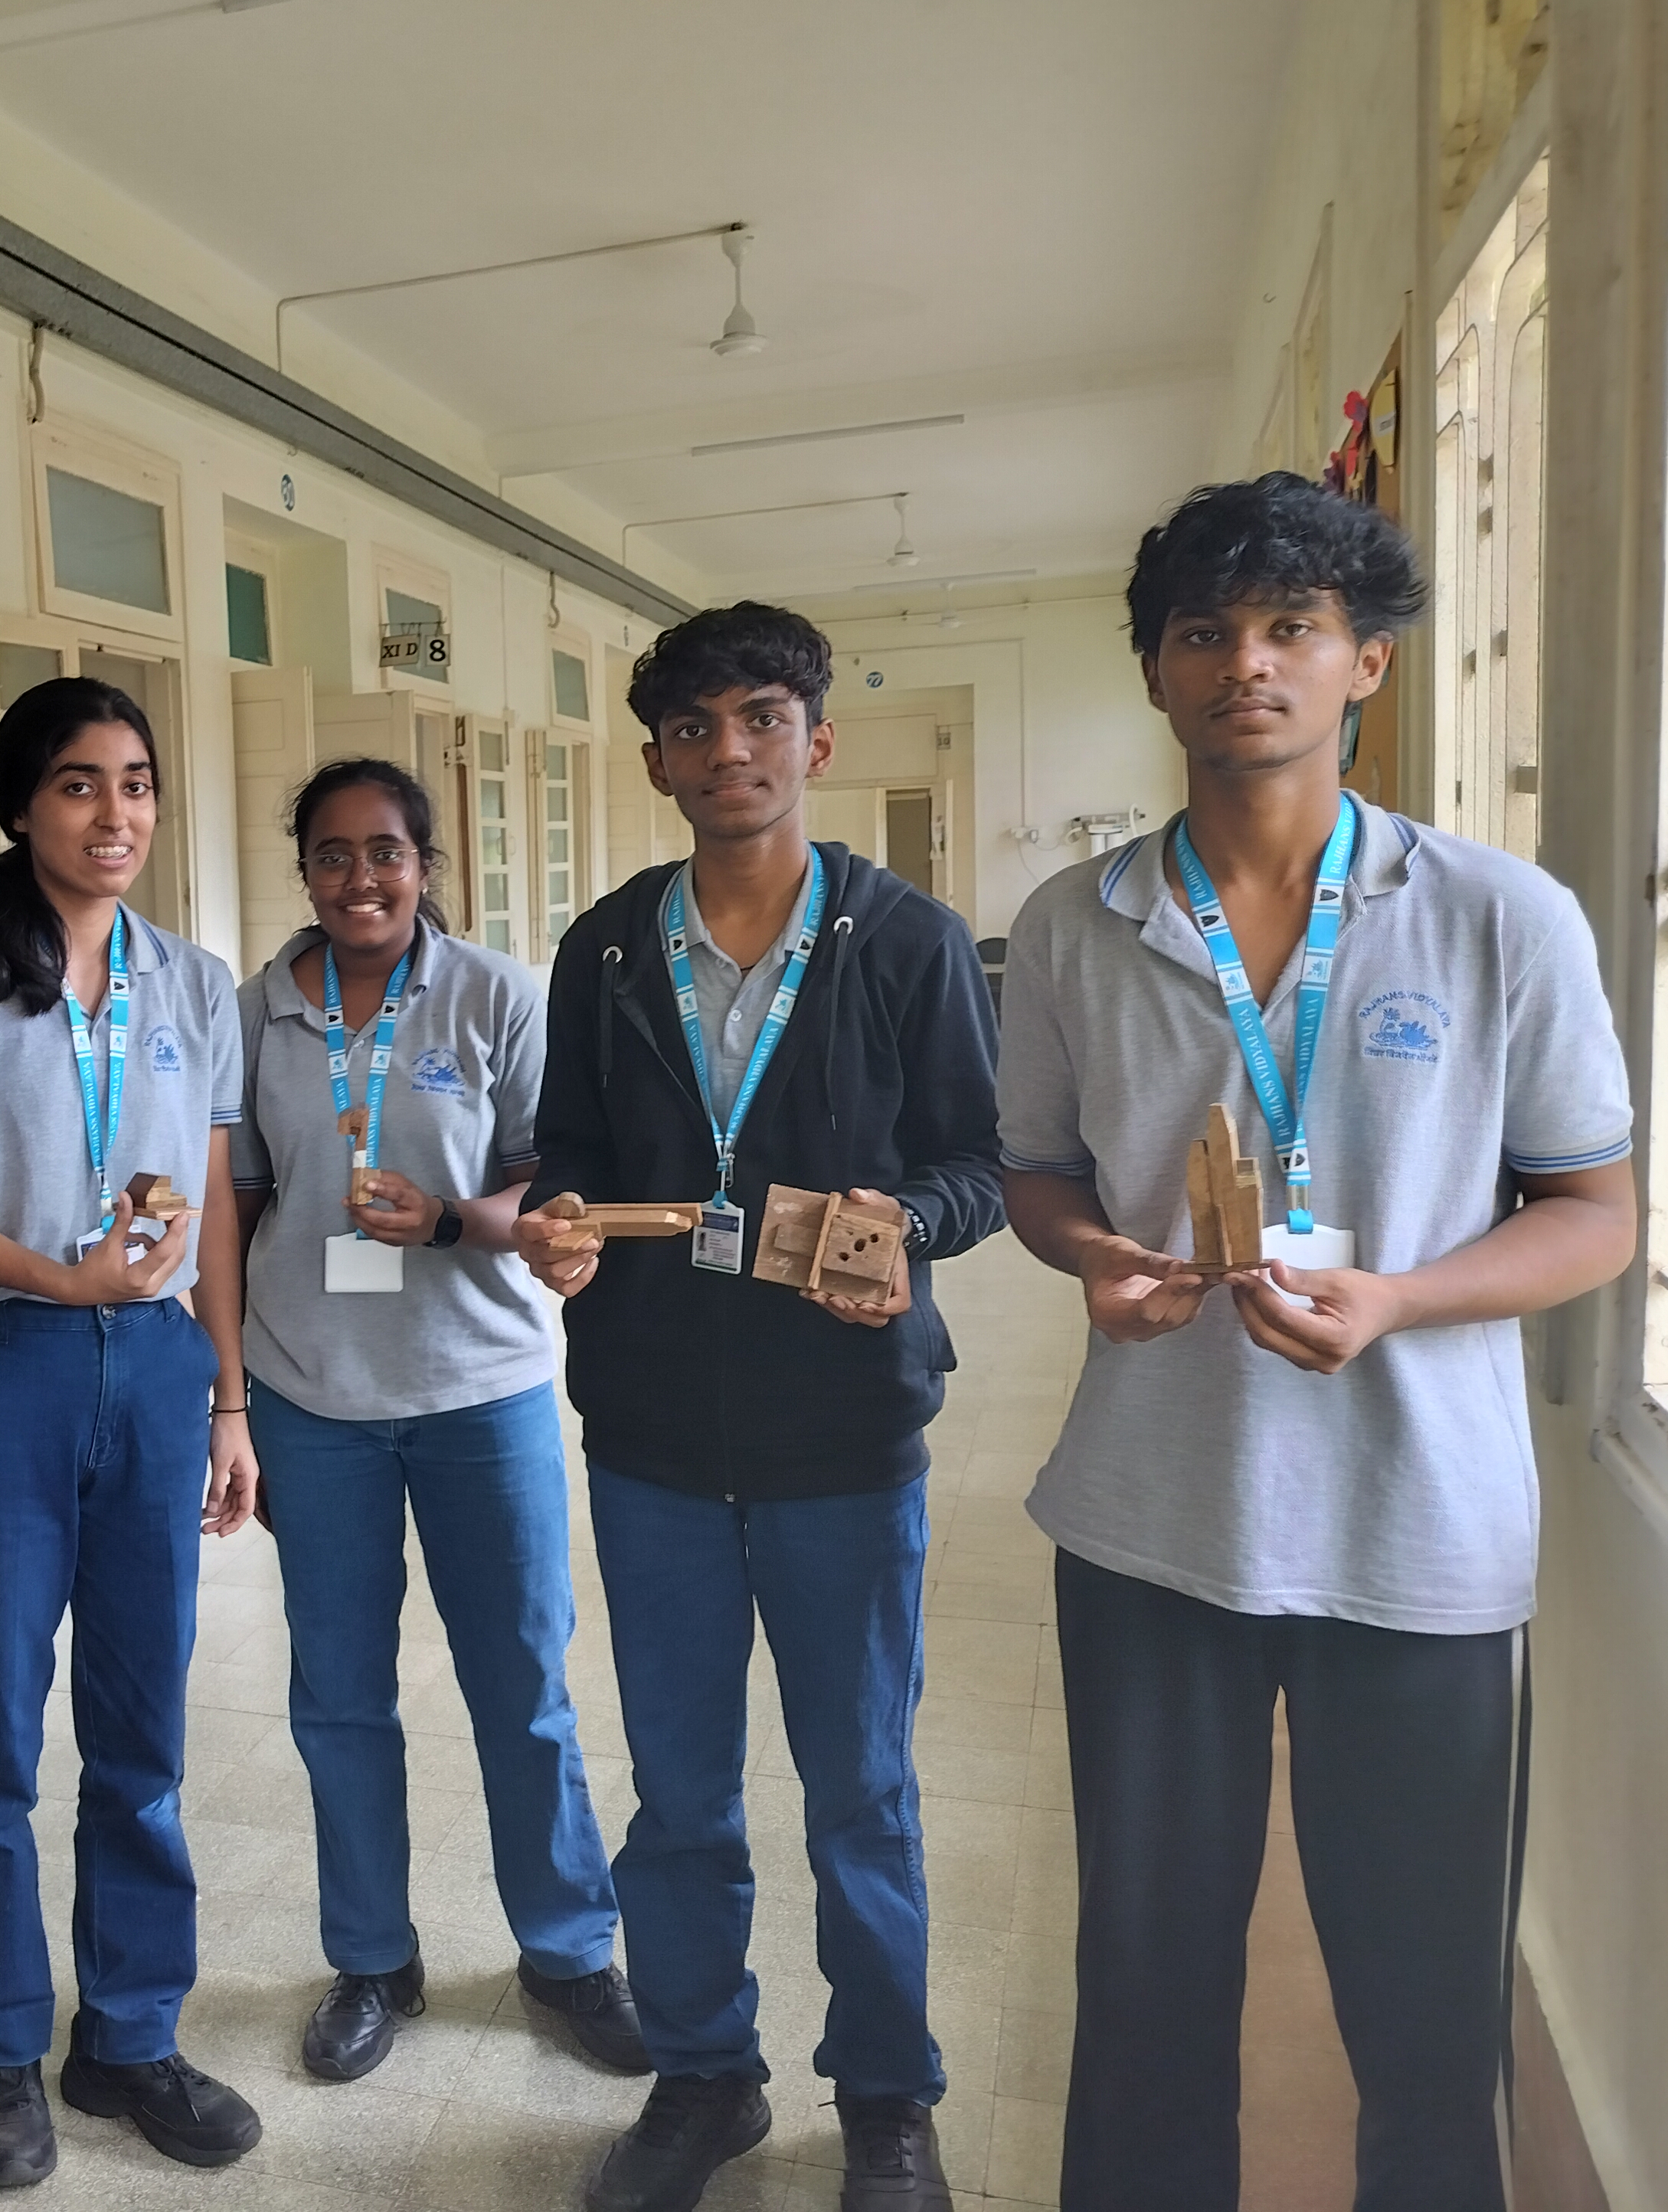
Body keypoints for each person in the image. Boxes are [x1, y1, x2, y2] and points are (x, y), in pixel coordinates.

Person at [996, 475, 1635, 2212]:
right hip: (1149, 1520)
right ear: (1152, 671)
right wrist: (1085, 1259)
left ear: (1365, 664)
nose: (1244, 665)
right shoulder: (1073, 926)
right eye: (1201, 631)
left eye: (1288, 627)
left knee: (1425, 2012)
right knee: (1141, 1989)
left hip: (1415, 1537)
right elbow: (1039, 1169)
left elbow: (1593, 1210)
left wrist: (1399, 1300)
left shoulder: (1499, 917)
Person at [518, 603, 1001, 2212]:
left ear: (814, 738)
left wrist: (907, 1225)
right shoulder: (599, 948)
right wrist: (555, 1226)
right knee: (677, 1794)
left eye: (757, 718)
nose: (726, 751)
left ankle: (884, 2103)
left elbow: (978, 1164)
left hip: (841, 1432)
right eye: (691, 728)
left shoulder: (904, 941)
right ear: (654, 757)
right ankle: (704, 2078)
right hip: (650, 1435)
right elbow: (565, 1155)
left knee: (859, 1791)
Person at [0, 676, 262, 2188]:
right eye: (79, 786)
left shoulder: (191, 980)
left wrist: (226, 1395)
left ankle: (130, 2035)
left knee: (141, 1730)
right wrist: (65, 1279)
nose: (116, 817)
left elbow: (214, 1201)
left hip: (156, 1378)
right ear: (20, 807)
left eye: (135, 784)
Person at [227, 758, 640, 2086]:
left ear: (427, 863)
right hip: (313, 1395)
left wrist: (455, 1218)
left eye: (388, 853)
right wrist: (226, 1394)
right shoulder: (254, 1015)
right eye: (335, 855)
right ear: (305, 870)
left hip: (481, 1388)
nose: (363, 880)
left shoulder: (499, 997)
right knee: (339, 1694)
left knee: (521, 1685)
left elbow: (551, 1188)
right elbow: (235, 1207)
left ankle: (569, 1950)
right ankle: (371, 1959)